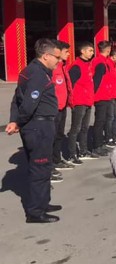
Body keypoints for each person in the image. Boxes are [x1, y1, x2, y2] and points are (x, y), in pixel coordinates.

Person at [6, 38, 64, 223]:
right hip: (38, 126)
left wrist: (14, 120)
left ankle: (43, 202)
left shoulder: (30, 71)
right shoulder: (38, 74)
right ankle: (35, 212)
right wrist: (19, 122)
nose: (59, 60)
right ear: (46, 56)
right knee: (40, 167)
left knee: (44, 166)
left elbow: (16, 99)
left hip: (39, 125)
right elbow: (29, 104)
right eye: (56, 56)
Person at [66, 42, 102, 161]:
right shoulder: (76, 66)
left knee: (85, 128)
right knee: (75, 128)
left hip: (88, 100)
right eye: (90, 50)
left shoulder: (88, 65)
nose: (92, 53)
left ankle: (83, 151)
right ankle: (72, 154)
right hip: (79, 101)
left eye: (92, 51)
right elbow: (69, 84)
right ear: (82, 51)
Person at [51, 40, 75, 172]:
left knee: (59, 134)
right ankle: (49, 165)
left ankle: (56, 159)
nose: (68, 54)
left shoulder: (63, 66)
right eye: (66, 52)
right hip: (53, 108)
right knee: (51, 137)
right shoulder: (52, 69)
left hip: (63, 106)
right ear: (58, 52)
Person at [91, 40, 114, 156]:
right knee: (100, 121)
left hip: (105, 94)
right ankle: (97, 146)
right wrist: (93, 94)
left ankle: (100, 144)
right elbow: (97, 80)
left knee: (103, 120)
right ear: (108, 50)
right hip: (101, 95)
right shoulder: (100, 62)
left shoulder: (103, 61)